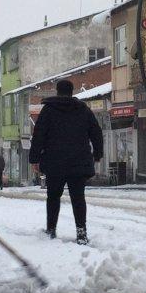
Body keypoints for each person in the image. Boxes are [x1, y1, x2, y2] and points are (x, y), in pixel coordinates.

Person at [29, 79, 103, 245]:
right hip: (79, 162)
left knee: (53, 197)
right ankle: (81, 232)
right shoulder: (83, 110)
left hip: (55, 162)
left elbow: (38, 135)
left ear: (57, 91)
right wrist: (97, 154)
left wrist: (35, 158)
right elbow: (96, 132)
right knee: (78, 198)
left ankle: (51, 229)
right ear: (71, 91)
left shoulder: (48, 110)